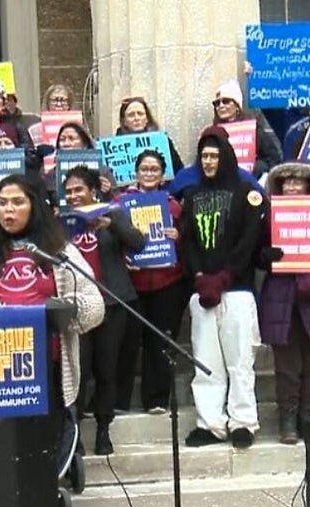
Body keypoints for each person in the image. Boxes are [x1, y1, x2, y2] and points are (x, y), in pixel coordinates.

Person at [0, 175, 104, 483]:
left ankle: (47, 487)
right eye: (2, 203)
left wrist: (66, 309)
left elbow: (95, 305)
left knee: (45, 439)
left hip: (47, 365)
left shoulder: (59, 251)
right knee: (4, 445)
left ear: (34, 206)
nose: (8, 210)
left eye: (17, 202)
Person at [180, 127, 264, 448]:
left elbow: (249, 240)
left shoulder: (246, 192)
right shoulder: (192, 195)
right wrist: (200, 275)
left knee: (240, 360)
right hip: (202, 292)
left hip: (237, 291)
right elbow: (187, 241)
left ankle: (243, 421)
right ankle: (210, 423)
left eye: (214, 156)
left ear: (225, 156)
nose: (209, 162)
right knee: (206, 361)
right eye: (204, 156)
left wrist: (226, 276)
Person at [257, 163, 310, 444]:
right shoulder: (269, 214)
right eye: (287, 182)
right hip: (280, 298)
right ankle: (287, 422)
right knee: (286, 368)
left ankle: (306, 419)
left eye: (298, 182)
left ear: (309, 186)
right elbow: (256, 252)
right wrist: (266, 255)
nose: (292, 187)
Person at [63, 166, 144, 454]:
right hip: (77, 308)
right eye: (68, 191)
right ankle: (75, 436)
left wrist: (111, 225)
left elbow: (138, 243)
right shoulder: (62, 222)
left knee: (107, 369)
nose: (73, 195)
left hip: (112, 303)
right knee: (79, 370)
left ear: (93, 191)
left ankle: (103, 430)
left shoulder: (113, 213)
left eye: (79, 190)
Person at [114, 150, 187, 416]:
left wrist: (178, 235)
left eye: (154, 169)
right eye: (144, 169)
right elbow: (112, 239)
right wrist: (123, 258)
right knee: (127, 342)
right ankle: (118, 400)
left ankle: (156, 398)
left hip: (167, 282)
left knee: (161, 341)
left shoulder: (173, 205)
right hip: (132, 283)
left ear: (163, 175)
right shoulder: (120, 203)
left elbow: (187, 241)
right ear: (136, 172)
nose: (149, 174)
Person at [211, 80, 282, 179]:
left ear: (237, 106)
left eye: (226, 101)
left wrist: (255, 167)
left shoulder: (253, 130)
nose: (221, 106)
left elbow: (273, 159)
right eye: (217, 103)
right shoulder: (211, 133)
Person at [117, 96, 183, 172]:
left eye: (140, 114)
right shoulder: (116, 148)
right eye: (131, 115)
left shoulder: (162, 141)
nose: (136, 118)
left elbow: (179, 170)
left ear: (147, 118)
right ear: (124, 121)